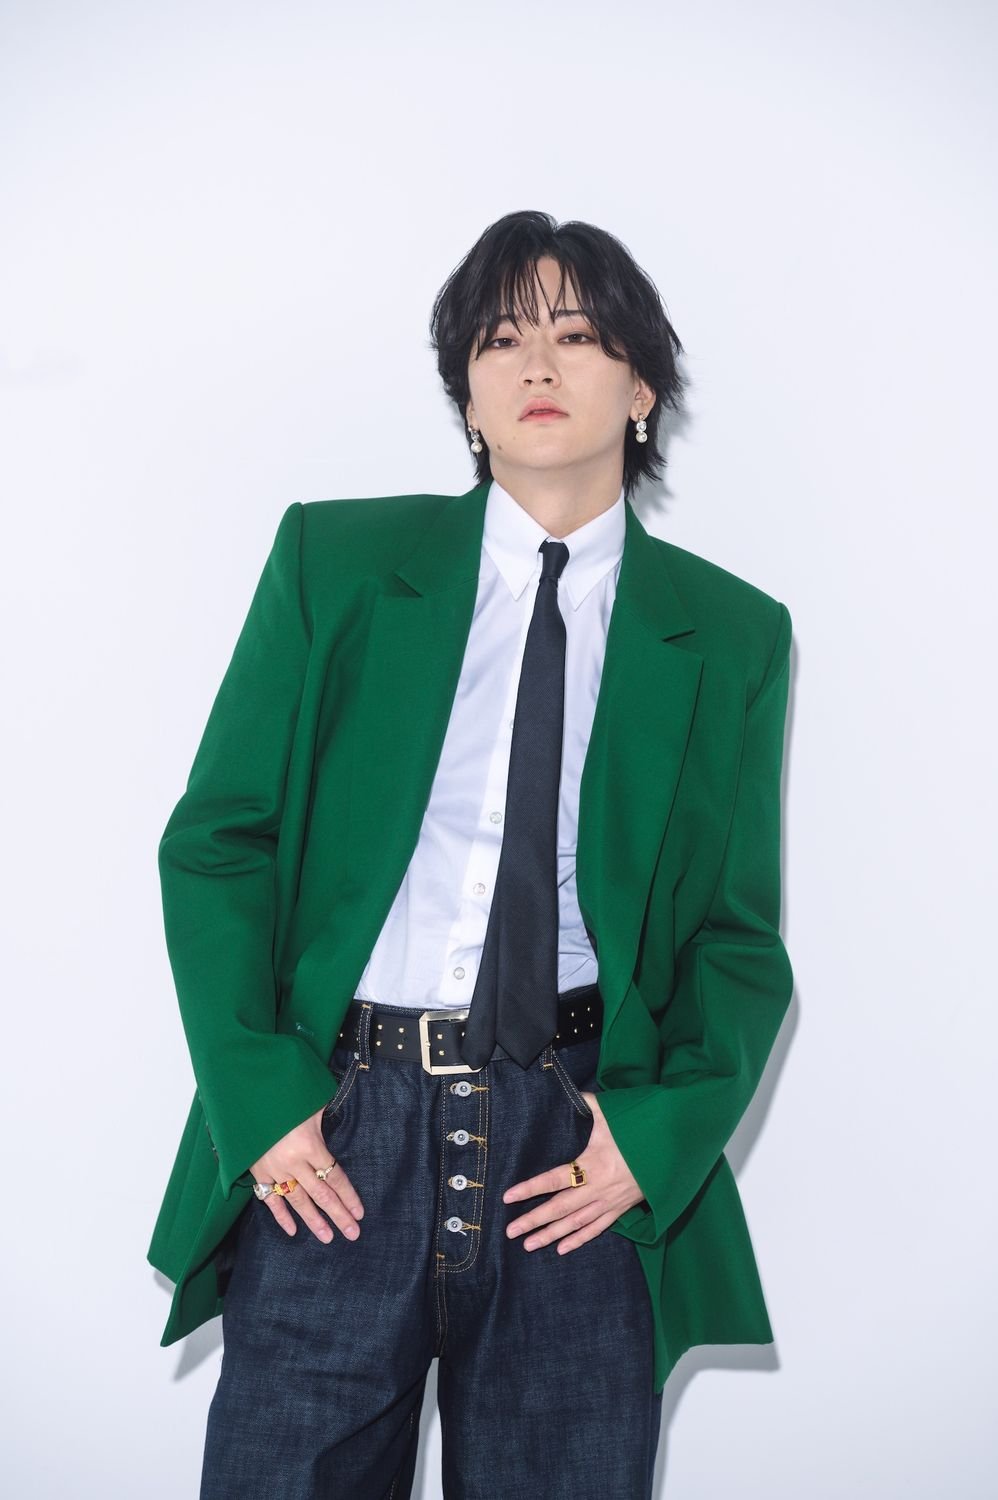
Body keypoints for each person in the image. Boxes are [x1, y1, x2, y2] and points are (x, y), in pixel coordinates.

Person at [149, 209, 795, 1499]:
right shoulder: (337, 565)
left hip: (574, 1143)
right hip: (341, 1131)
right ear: (468, 396)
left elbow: (737, 935)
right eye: (500, 341)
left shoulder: (728, 634)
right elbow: (219, 842)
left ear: (643, 389)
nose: (537, 365)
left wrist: (654, 1139)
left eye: (578, 335)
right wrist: (263, 1104)